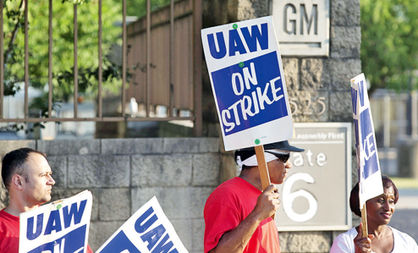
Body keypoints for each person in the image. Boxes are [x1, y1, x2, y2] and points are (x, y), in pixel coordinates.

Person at [203, 140, 304, 253]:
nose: (289, 165)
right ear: (261, 159)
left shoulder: (262, 196)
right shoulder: (226, 194)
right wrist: (257, 215)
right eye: (283, 158)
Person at [0, 148, 93, 253]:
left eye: (50, 174)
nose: (52, 181)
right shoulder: (2, 230)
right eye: (43, 175)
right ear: (18, 182)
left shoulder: (62, 223)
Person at [330, 175, 418, 253]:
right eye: (381, 201)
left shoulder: (407, 242)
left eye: (391, 201)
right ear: (363, 203)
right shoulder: (345, 242)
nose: (388, 208)